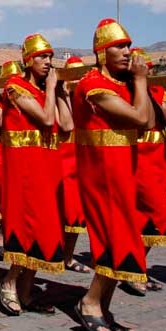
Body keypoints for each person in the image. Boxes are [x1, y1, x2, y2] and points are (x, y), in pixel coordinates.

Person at [72, 19, 152, 331]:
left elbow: (154, 122)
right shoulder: (92, 85)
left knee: (125, 238)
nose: (126, 52)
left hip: (124, 175)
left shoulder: (124, 85)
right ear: (101, 52)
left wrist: (138, 84)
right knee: (113, 237)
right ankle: (89, 302)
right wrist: (141, 81)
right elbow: (142, 119)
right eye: (118, 46)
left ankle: (103, 308)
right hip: (101, 176)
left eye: (128, 46)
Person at [0, 34, 71, 316]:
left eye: (50, 57)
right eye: (42, 57)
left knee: (43, 228)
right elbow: (46, 120)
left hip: (46, 168)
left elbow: (66, 126)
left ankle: (27, 291)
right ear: (27, 60)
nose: (48, 63)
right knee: (27, 226)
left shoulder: (44, 92)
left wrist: (61, 94)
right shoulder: (15, 87)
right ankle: (9, 282)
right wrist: (51, 89)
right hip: (25, 170)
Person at [122, 49, 166, 296]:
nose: (149, 71)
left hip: (159, 156)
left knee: (156, 214)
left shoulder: (156, 91)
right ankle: (131, 268)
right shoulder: (125, 90)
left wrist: (151, 92)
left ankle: (138, 267)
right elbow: (141, 120)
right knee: (154, 212)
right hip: (139, 155)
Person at [0, 60, 21, 260]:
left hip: (17, 149)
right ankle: (0, 233)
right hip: (0, 149)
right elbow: (0, 123)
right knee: (3, 191)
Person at [58, 56, 89, 274]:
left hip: (81, 160)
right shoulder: (59, 96)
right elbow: (66, 125)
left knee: (77, 212)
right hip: (61, 159)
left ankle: (68, 256)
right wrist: (63, 93)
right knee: (60, 210)